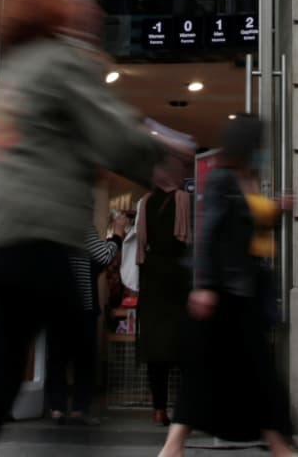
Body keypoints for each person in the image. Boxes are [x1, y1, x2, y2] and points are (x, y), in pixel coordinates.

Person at [0, 0, 189, 457]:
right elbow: (113, 134)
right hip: (45, 248)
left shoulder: (1, 77)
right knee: (83, 377)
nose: (91, 7)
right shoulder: (59, 61)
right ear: (50, 3)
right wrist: (164, 152)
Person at [156, 115, 295, 457]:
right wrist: (203, 285)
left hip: (246, 292)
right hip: (224, 294)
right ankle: (278, 448)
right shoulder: (223, 180)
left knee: (248, 374)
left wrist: (276, 212)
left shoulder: (248, 180)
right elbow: (207, 233)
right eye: (258, 144)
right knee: (247, 373)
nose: (262, 151)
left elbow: (251, 228)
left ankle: (174, 447)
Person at [45, 220, 123, 425]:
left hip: (55, 302)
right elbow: (103, 256)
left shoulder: (51, 225)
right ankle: (79, 408)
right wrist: (117, 236)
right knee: (83, 358)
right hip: (81, 303)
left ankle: (57, 407)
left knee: (56, 357)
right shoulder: (82, 225)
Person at [136, 162, 193, 424]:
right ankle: (185, 409)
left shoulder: (146, 202)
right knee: (181, 344)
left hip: (151, 276)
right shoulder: (183, 199)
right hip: (177, 276)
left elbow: (141, 240)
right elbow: (187, 239)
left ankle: (159, 409)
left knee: (156, 347)